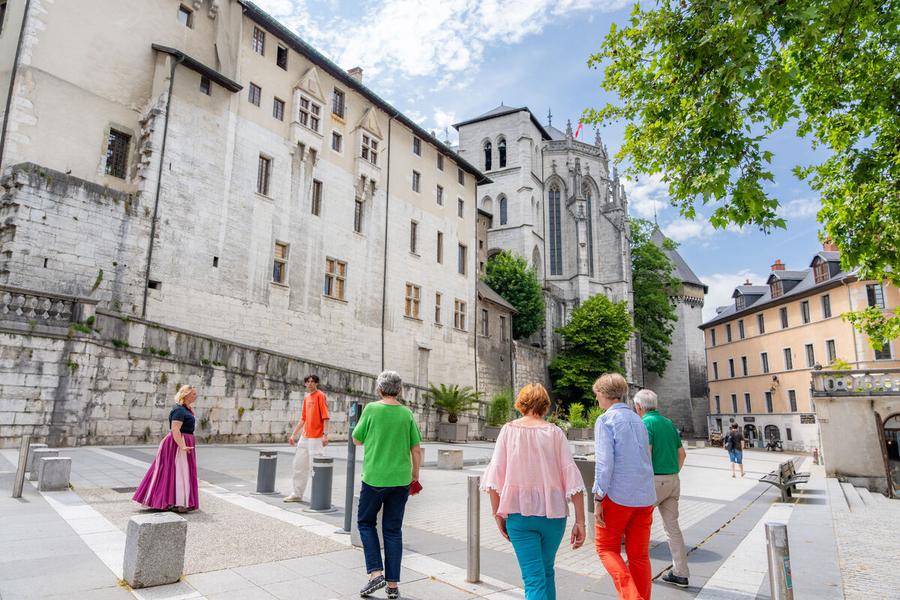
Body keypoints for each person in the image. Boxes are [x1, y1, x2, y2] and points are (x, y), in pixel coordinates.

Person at [481, 383, 587, 600]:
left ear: (521, 403)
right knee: (546, 573)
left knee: (533, 578)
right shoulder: (555, 433)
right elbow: (572, 478)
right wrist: (580, 521)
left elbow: (495, 476)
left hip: (519, 515)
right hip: (554, 516)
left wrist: (497, 513)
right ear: (545, 405)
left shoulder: (509, 430)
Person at [352, 371, 423, 599]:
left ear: (379, 389)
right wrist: (415, 474)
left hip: (374, 478)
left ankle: (375, 574)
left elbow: (357, 438)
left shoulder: (372, 409)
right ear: (400, 390)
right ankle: (392, 586)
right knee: (393, 530)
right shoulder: (406, 413)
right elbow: (416, 448)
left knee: (365, 522)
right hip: (400, 480)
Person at [592, 373, 656, 600]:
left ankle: (631, 597)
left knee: (606, 548)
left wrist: (598, 497)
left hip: (618, 495)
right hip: (645, 496)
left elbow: (604, 463)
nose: (597, 400)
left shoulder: (605, 420)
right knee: (639, 556)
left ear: (604, 394)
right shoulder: (639, 420)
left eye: (597, 395)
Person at [634, 389, 689, 589]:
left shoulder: (645, 423)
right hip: (673, 480)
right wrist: (672, 473)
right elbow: (682, 454)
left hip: (654, 482)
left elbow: (645, 457)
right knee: (672, 529)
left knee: (639, 526)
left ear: (638, 407)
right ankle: (681, 572)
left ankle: (639, 574)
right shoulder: (668, 423)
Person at [133, 385, 200, 512]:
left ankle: (178, 501)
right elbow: (175, 430)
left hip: (183, 441)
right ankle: (169, 501)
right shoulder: (179, 410)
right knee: (175, 471)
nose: (195, 396)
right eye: (193, 394)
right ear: (185, 395)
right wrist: (182, 446)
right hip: (177, 443)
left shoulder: (187, 409)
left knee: (181, 471)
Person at [284, 374, 330, 503]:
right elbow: (303, 418)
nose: (310, 384)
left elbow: (325, 417)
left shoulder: (320, 396)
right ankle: (297, 494)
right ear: (305, 384)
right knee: (298, 465)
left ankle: (320, 497)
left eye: (312, 382)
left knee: (316, 468)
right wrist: (294, 434)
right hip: (305, 437)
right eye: (308, 382)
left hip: (316, 438)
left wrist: (325, 435)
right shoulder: (306, 398)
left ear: (316, 383)